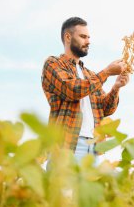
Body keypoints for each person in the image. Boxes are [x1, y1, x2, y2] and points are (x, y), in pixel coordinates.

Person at [41, 17, 129, 165]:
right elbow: (73, 90)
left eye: (89, 37)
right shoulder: (53, 64)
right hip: (66, 147)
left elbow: (105, 109)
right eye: (83, 37)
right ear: (68, 37)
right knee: (64, 188)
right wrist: (106, 72)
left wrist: (116, 87)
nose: (88, 41)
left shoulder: (89, 75)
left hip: (93, 148)